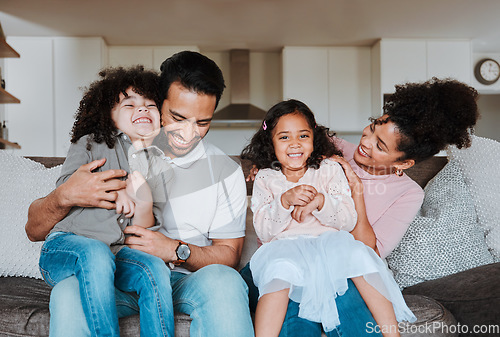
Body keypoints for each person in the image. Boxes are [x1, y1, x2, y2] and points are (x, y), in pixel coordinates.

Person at [26, 51, 254, 337]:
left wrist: (175, 249)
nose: (188, 133)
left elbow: (229, 254)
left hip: (182, 281)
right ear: (157, 102)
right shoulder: (108, 148)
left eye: (203, 122)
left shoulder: (225, 171)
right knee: (69, 292)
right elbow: (34, 229)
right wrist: (64, 196)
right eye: (177, 117)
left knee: (226, 281)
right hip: (115, 276)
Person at [241, 78, 480, 337]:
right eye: (374, 127)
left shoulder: (409, 194)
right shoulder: (334, 149)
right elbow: (288, 139)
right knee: (295, 312)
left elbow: (367, 253)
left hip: (342, 263)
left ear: (404, 163)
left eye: (380, 145)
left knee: (347, 302)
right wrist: (263, 167)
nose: (366, 142)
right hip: (285, 256)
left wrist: (356, 191)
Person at [241, 99, 415, 337]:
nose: (294, 143)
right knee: (278, 274)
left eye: (303, 136)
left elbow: (346, 219)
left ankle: (391, 333)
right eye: (283, 138)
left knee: (360, 257)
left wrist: (321, 202)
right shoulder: (266, 177)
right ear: (270, 142)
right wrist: (284, 201)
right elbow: (264, 230)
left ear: (314, 138)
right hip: (285, 249)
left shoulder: (329, 168)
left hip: (329, 245)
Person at [38, 65, 174, 337]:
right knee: (95, 253)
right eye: (129, 103)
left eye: (150, 104)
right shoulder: (90, 144)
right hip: (67, 246)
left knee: (155, 269)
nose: (143, 109)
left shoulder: (159, 164)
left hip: (117, 253)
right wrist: (117, 189)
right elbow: (66, 189)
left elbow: (142, 231)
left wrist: (144, 203)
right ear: (109, 115)